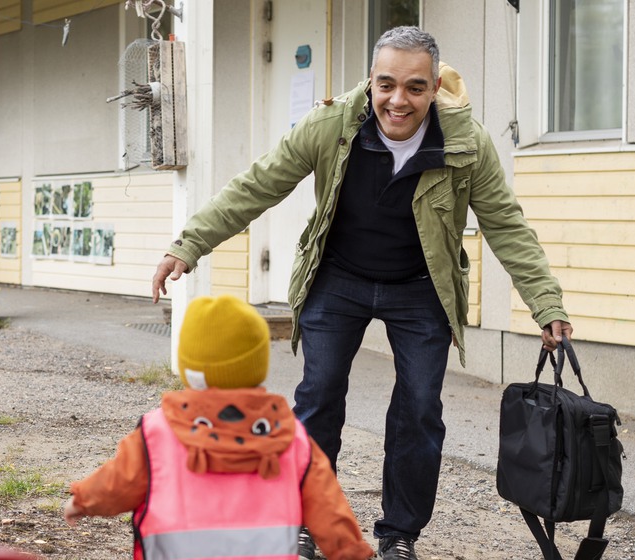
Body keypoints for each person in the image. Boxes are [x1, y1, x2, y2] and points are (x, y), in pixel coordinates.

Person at [150, 26, 572, 560]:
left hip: (422, 289)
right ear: (370, 81)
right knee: (319, 395)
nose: (399, 100)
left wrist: (546, 304)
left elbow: (507, 226)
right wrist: (189, 244)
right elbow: (258, 184)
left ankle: (399, 535)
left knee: (419, 410)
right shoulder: (331, 126)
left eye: (415, 88)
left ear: (435, 86)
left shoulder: (466, 144)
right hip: (339, 279)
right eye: (386, 84)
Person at [63, 295, 373, 560]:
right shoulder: (289, 436)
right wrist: (350, 551)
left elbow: (118, 482)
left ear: (190, 368)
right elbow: (327, 506)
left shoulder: (156, 433)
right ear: (256, 365)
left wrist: (82, 500)